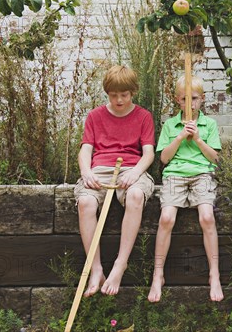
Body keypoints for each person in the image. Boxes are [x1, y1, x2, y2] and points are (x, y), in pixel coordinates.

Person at [74, 65, 155, 296]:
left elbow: (148, 153)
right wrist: (86, 172)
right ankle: (95, 268)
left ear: (133, 92)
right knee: (86, 203)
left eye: (124, 95)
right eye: (113, 95)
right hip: (99, 170)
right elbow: (85, 150)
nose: (119, 100)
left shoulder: (143, 116)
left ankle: (120, 263)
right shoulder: (95, 116)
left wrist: (135, 172)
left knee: (136, 195)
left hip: (131, 169)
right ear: (107, 93)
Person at [148, 75, 223, 303]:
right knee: (167, 218)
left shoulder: (209, 124)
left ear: (202, 99)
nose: (190, 104)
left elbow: (215, 158)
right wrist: (180, 136)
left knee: (207, 217)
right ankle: (158, 273)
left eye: (194, 99)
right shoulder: (170, 125)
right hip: (175, 175)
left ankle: (214, 273)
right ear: (177, 101)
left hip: (202, 174)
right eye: (184, 99)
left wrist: (198, 139)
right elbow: (164, 159)